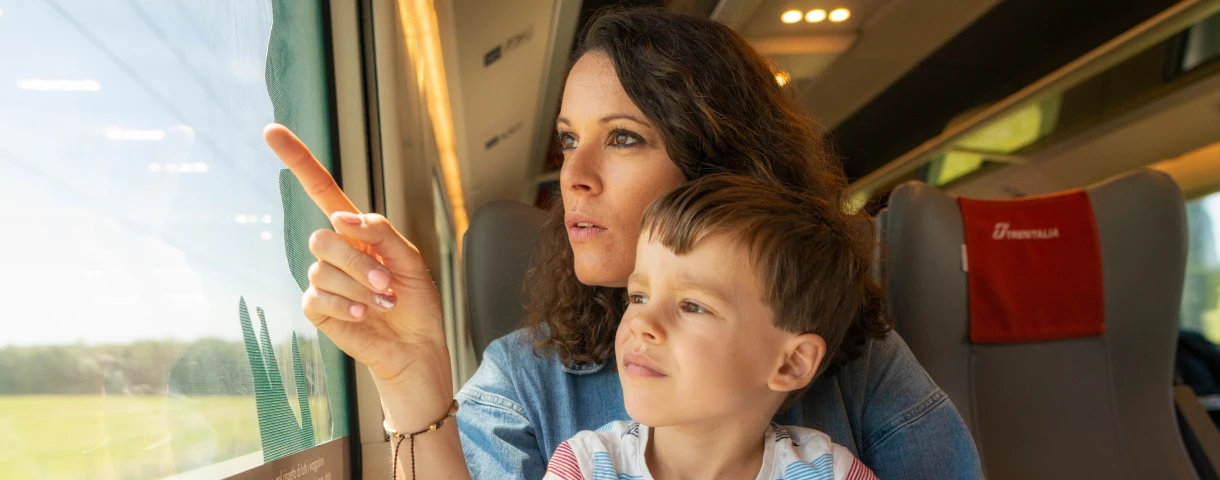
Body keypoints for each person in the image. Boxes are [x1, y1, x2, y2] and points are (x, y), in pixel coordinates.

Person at [264, 7, 982, 480]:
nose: (572, 177)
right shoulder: (523, 380)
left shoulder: (858, 360)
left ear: (718, 166)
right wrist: (409, 372)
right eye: (570, 140)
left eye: (624, 139)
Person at [544, 174, 880, 480]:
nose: (641, 323)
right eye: (638, 297)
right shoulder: (583, 468)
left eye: (692, 306)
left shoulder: (833, 474)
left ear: (792, 362)